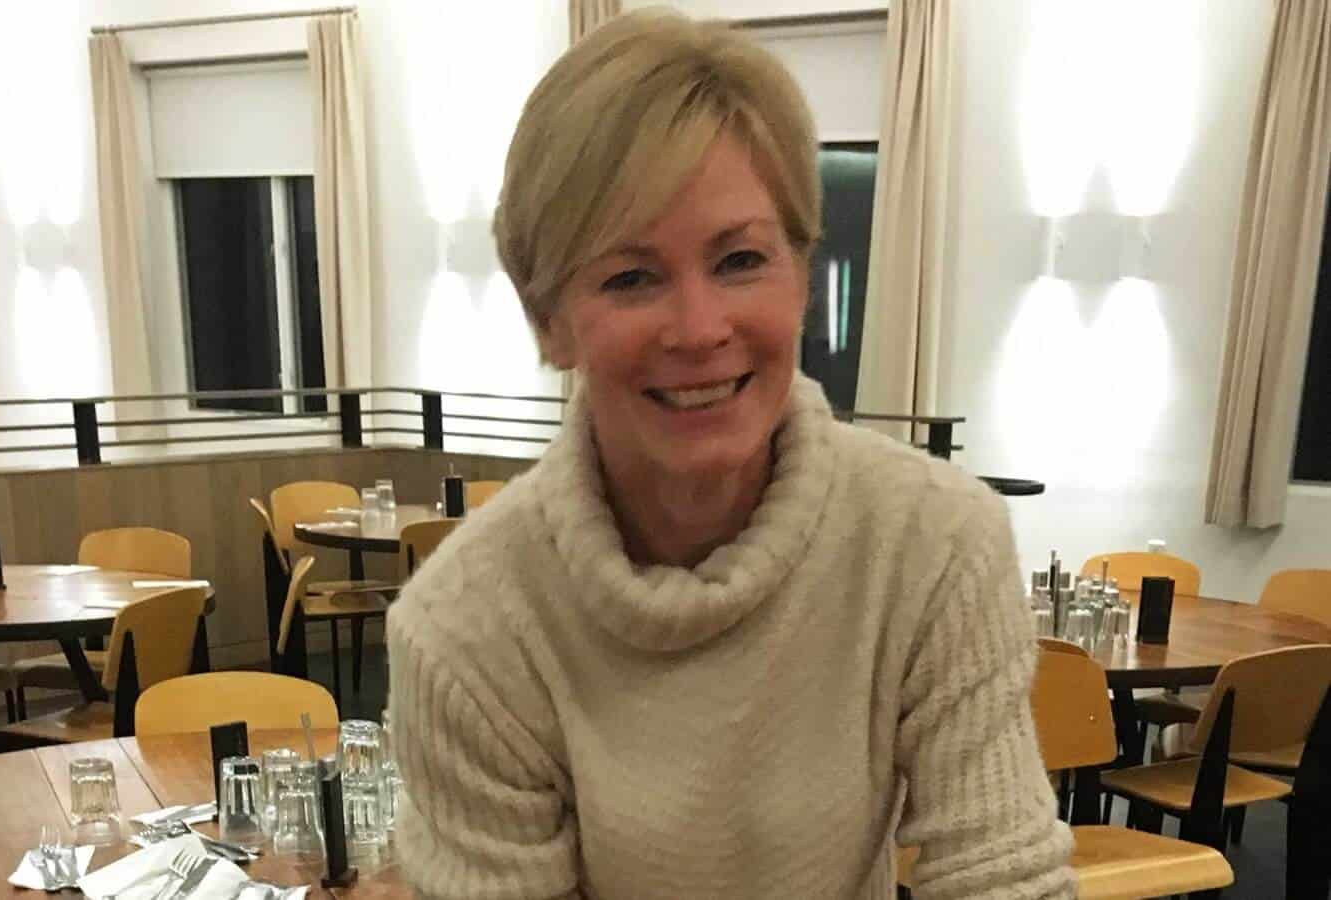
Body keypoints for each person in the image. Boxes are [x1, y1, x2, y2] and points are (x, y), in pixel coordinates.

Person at [386, 9, 1074, 898]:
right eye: (632, 277)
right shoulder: (466, 630)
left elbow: (1001, 876)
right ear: (548, 322)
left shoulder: (935, 543)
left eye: (741, 260)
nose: (700, 329)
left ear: (802, 276)